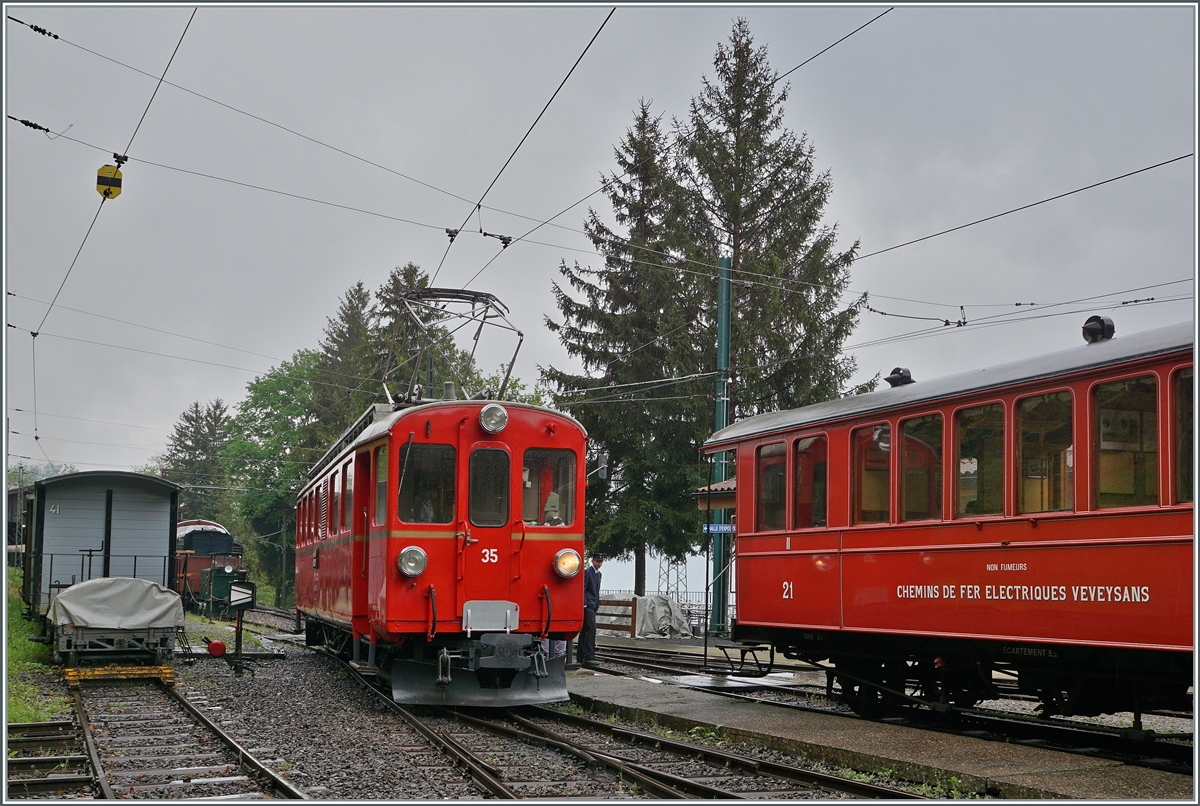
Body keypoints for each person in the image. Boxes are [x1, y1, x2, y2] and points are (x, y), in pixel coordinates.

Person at [579, 552, 603, 663]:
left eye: (600, 562)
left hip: (593, 604)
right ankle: (589, 656)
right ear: (593, 561)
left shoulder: (599, 574)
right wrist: (585, 603)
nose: (599, 563)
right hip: (588, 604)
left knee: (585, 630)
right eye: (597, 561)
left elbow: (596, 591)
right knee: (591, 629)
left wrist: (597, 603)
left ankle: (581, 656)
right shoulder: (587, 572)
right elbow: (583, 588)